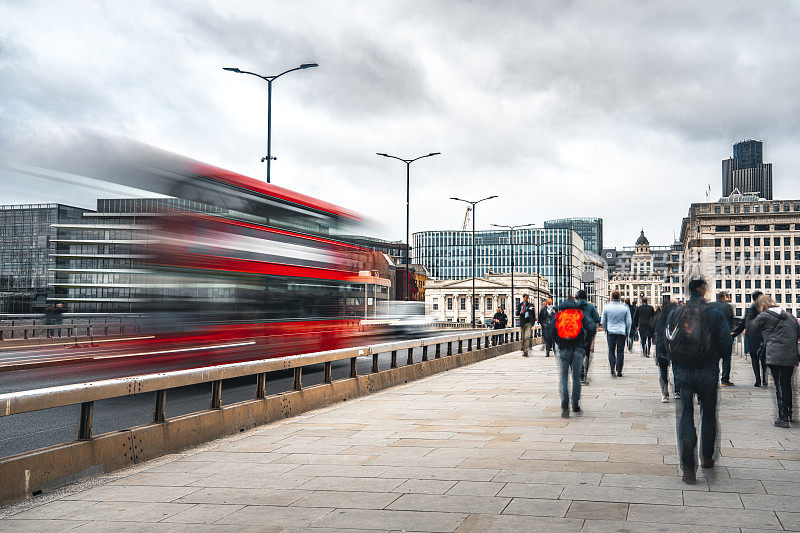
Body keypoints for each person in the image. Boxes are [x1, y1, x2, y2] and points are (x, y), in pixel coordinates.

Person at [665, 278, 732, 484]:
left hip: (683, 371)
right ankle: (707, 457)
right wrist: (716, 359)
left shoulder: (676, 312)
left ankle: (688, 469)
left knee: (685, 414)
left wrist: (676, 364)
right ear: (703, 290)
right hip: (708, 370)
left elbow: (665, 341)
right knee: (709, 414)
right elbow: (726, 343)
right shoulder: (715, 311)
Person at [748, 295, 800, 427]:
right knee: (787, 384)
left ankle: (782, 418)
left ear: (761, 306)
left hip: (776, 355)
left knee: (779, 385)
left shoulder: (764, 316)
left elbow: (751, 328)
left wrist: (750, 314)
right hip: (791, 354)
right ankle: (788, 413)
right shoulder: (789, 315)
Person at [548, 295, 595, 418]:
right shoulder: (580, 313)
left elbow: (551, 330)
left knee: (563, 377)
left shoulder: (559, 314)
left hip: (563, 349)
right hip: (578, 349)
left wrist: (558, 342)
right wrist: (586, 340)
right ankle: (575, 404)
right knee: (576, 378)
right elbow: (592, 328)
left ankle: (564, 403)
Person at [732, 291, 767, 387]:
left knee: (754, 359)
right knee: (764, 359)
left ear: (753, 299)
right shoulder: (766, 310)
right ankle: (764, 378)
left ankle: (758, 380)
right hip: (763, 338)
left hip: (752, 338)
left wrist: (734, 334)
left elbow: (743, 324)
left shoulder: (750, 310)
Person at [601, 291, 632, 377]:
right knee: (620, 351)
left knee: (611, 350)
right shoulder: (625, 308)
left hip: (610, 331)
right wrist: (627, 331)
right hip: (621, 332)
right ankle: (619, 370)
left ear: (611, 297)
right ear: (619, 298)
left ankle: (612, 367)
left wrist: (605, 329)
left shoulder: (607, 307)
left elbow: (603, 321)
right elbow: (629, 321)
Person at [653, 295, 677, 402]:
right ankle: (677, 391)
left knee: (663, 370)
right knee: (677, 369)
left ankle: (665, 394)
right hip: (675, 348)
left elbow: (652, 329)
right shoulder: (677, 319)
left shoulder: (659, 318)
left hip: (661, 348)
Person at [709, 291, 735, 386]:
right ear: (723, 297)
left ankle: (714, 379)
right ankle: (725, 380)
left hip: (712, 337)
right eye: (728, 296)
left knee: (714, 359)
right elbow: (731, 320)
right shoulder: (728, 307)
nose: (729, 298)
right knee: (726, 358)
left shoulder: (710, 305)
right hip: (725, 336)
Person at [576, 289, 600, 384]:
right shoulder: (590, 306)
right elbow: (597, 319)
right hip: (588, 333)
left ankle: (580, 374)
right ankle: (585, 374)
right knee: (587, 353)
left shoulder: (575, 306)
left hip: (577, 333)